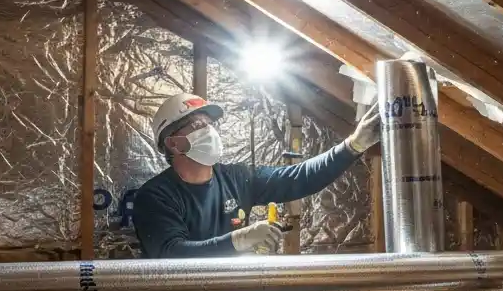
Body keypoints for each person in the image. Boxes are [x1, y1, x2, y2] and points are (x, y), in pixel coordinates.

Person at [134, 93, 380, 258]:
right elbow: (171, 253)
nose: (210, 131)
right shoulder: (155, 197)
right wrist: (240, 240)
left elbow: (299, 177)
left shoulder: (237, 178)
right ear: (174, 143)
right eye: (199, 125)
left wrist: (353, 146)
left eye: (211, 124)